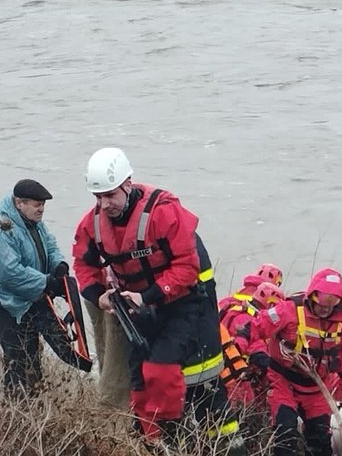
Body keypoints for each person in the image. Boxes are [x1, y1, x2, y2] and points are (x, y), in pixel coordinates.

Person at [71, 147, 243, 453]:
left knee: (175, 375)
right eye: (97, 197)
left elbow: (187, 268)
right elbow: (84, 264)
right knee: (140, 380)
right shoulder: (93, 224)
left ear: (127, 183)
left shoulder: (163, 213)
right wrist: (100, 297)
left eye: (109, 195)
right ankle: (159, 441)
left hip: (183, 304)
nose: (103, 204)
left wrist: (148, 295)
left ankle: (203, 442)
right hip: (139, 310)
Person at [0, 179, 91, 395]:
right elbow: (9, 273)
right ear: (19, 203)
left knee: (32, 354)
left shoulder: (34, 222)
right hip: (3, 303)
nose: (41, 209)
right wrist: (46, 282)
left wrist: (59, 266)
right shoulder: (2, 229)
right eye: (37, 204)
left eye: (43, 204)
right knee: (17, 357)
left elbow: (50, 245)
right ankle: (16, 410)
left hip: (29, 298)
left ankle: (33, 402)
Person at [85, 231, 217, 411]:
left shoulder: (169, 234)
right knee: (127, 378)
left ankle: (138, 425)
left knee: (138, 379)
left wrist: (145, 296)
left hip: (159, 317)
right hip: (125, 309)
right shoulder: (108, 228)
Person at [249, 267, 342, 456]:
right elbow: (256, 328)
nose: (325, 307)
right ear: (312, 296)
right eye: (321, 301)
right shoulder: (289, 310)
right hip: (284, 381)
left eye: (332, 302)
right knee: (286, 433)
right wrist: (254, 352)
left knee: (321, 443)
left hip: (317, 387)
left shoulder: (341, 324)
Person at [219, 280, 286, 407]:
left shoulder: (235, 310)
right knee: (248, 409)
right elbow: (258, 353)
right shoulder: (251, 322)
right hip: (238, 377)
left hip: (224, 370)